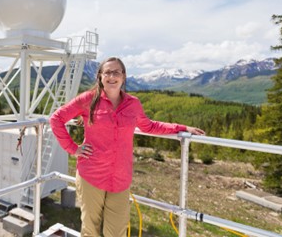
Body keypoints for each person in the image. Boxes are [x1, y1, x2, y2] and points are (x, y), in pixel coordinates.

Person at [49, 57, 205, 236]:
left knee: (116, 232)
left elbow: (150, 126)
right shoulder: (88, 99)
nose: (112, 76)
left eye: (117, 72)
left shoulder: (133, 104)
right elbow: (56, 119)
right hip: (91, 175)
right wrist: (73, 148)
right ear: (100, 76)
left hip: (120, 178)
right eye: (107, 72)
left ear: (123, 77)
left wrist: (182, 128)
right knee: (90, 229)